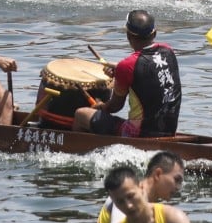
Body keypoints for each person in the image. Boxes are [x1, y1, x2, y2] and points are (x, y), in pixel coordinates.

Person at [73, 10, 181, 138]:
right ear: (155, 33)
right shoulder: (168, 51)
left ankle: (79, 149)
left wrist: (100, 106)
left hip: (138, 134)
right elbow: (150, 73)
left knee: (81, 114)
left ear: (128, 36)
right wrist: (119, 70)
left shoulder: (128, 65)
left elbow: (114, 107)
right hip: (169, 131)